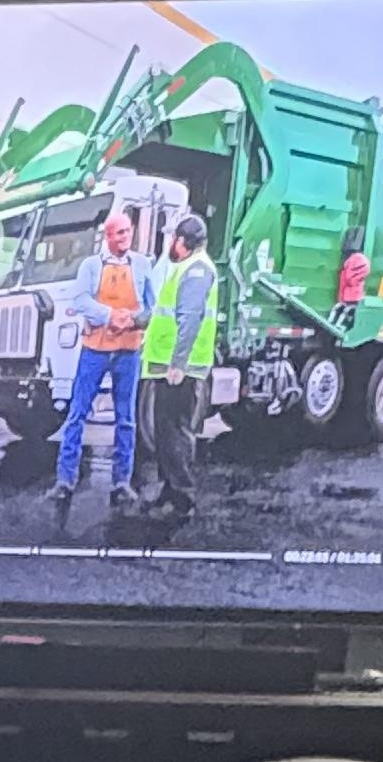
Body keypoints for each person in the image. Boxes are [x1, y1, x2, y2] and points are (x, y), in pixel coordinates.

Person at [50, 209, 146, 520]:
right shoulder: (91, 266)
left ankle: (122, 482)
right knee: (77, 414)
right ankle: (65, 480)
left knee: (127, 418)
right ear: (107, 236)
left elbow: (153, 305)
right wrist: (109, 316)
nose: (125, 238)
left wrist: (132, 319)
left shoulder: (142, 265)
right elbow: (80, 300)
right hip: (95, 350)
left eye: (128, 232)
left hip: (129, 351)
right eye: (119, 233)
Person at [138, 211, 219, 530]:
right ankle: (170, 490)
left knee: (178, 432)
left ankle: (182, 499)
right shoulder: (186, 267)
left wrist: (177, 364)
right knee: (165, 433)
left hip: (180, 369)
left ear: (185, 242)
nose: (172, 243)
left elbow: (189, 320)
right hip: (166, 366)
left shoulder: (198, 270)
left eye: (175, 238)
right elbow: (165, 313)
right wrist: (136, 319)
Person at [333, 228, 368, 337]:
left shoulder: (354, 260)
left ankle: (337, 324)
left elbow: (348, 278)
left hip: (349, 293)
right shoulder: (359, 260)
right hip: (351, 293)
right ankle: (338, 325)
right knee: (346, 309)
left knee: (344, 309)